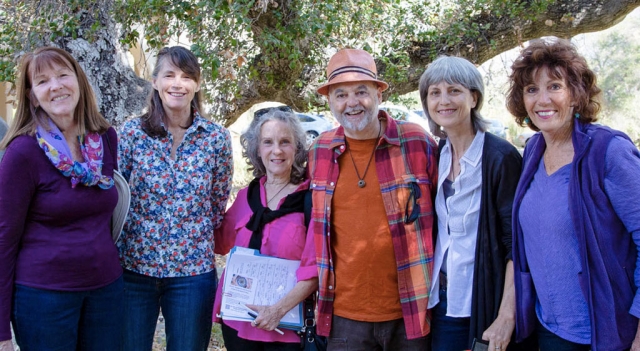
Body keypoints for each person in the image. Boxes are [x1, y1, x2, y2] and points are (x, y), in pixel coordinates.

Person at [506, 38, 640, 351]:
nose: (543, 99)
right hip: (549, 327)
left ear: (576, 95)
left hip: (605, 332)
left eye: (554, 86)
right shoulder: (533, 151)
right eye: (531, 89)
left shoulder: (609, 151)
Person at [308, 48, 438, 350]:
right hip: (344, 317)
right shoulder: (320, 151)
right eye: (340, 94)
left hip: (410, 312)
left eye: (361, 92)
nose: (351, 103)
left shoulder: (416, 142)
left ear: (379, 93)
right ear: (329, 101)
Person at [0, 47, 123, 351]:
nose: (55, 86)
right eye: (42, 81)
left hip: (106, 291)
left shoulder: (105, 138)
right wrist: (1, 330)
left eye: (63, 75)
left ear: (79, 81)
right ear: (32, 95)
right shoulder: (23, 153)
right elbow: (3, 239)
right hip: (43, 297)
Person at [117, 46, 233, 351]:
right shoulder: (131, 134)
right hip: (134, 269)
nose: (177, 83)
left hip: (192, 274)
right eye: (169, 75)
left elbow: (217, 201)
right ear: (155, 81)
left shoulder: (215, 138)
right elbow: (116, 198)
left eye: (186, 76)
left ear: (197, 84)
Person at [419, 56, 535, 351]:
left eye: (454, 90)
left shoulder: (500, 158)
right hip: (442, 299)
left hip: (483, 301)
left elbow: (517, 246)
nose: (444, 100)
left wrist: (506, 315)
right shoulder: (439, 153)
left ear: (474, 97)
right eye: (435, 92)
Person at [212, 106, 318, 350]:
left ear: (297, 148)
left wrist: (276, 310)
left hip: (287, 327)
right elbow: (220, 243)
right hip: (238, 323)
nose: (277, 150)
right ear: (257, 150)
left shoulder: (309, 201)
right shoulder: (245, 197)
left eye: (285, 142)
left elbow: (315, 270)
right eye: (268, 142)